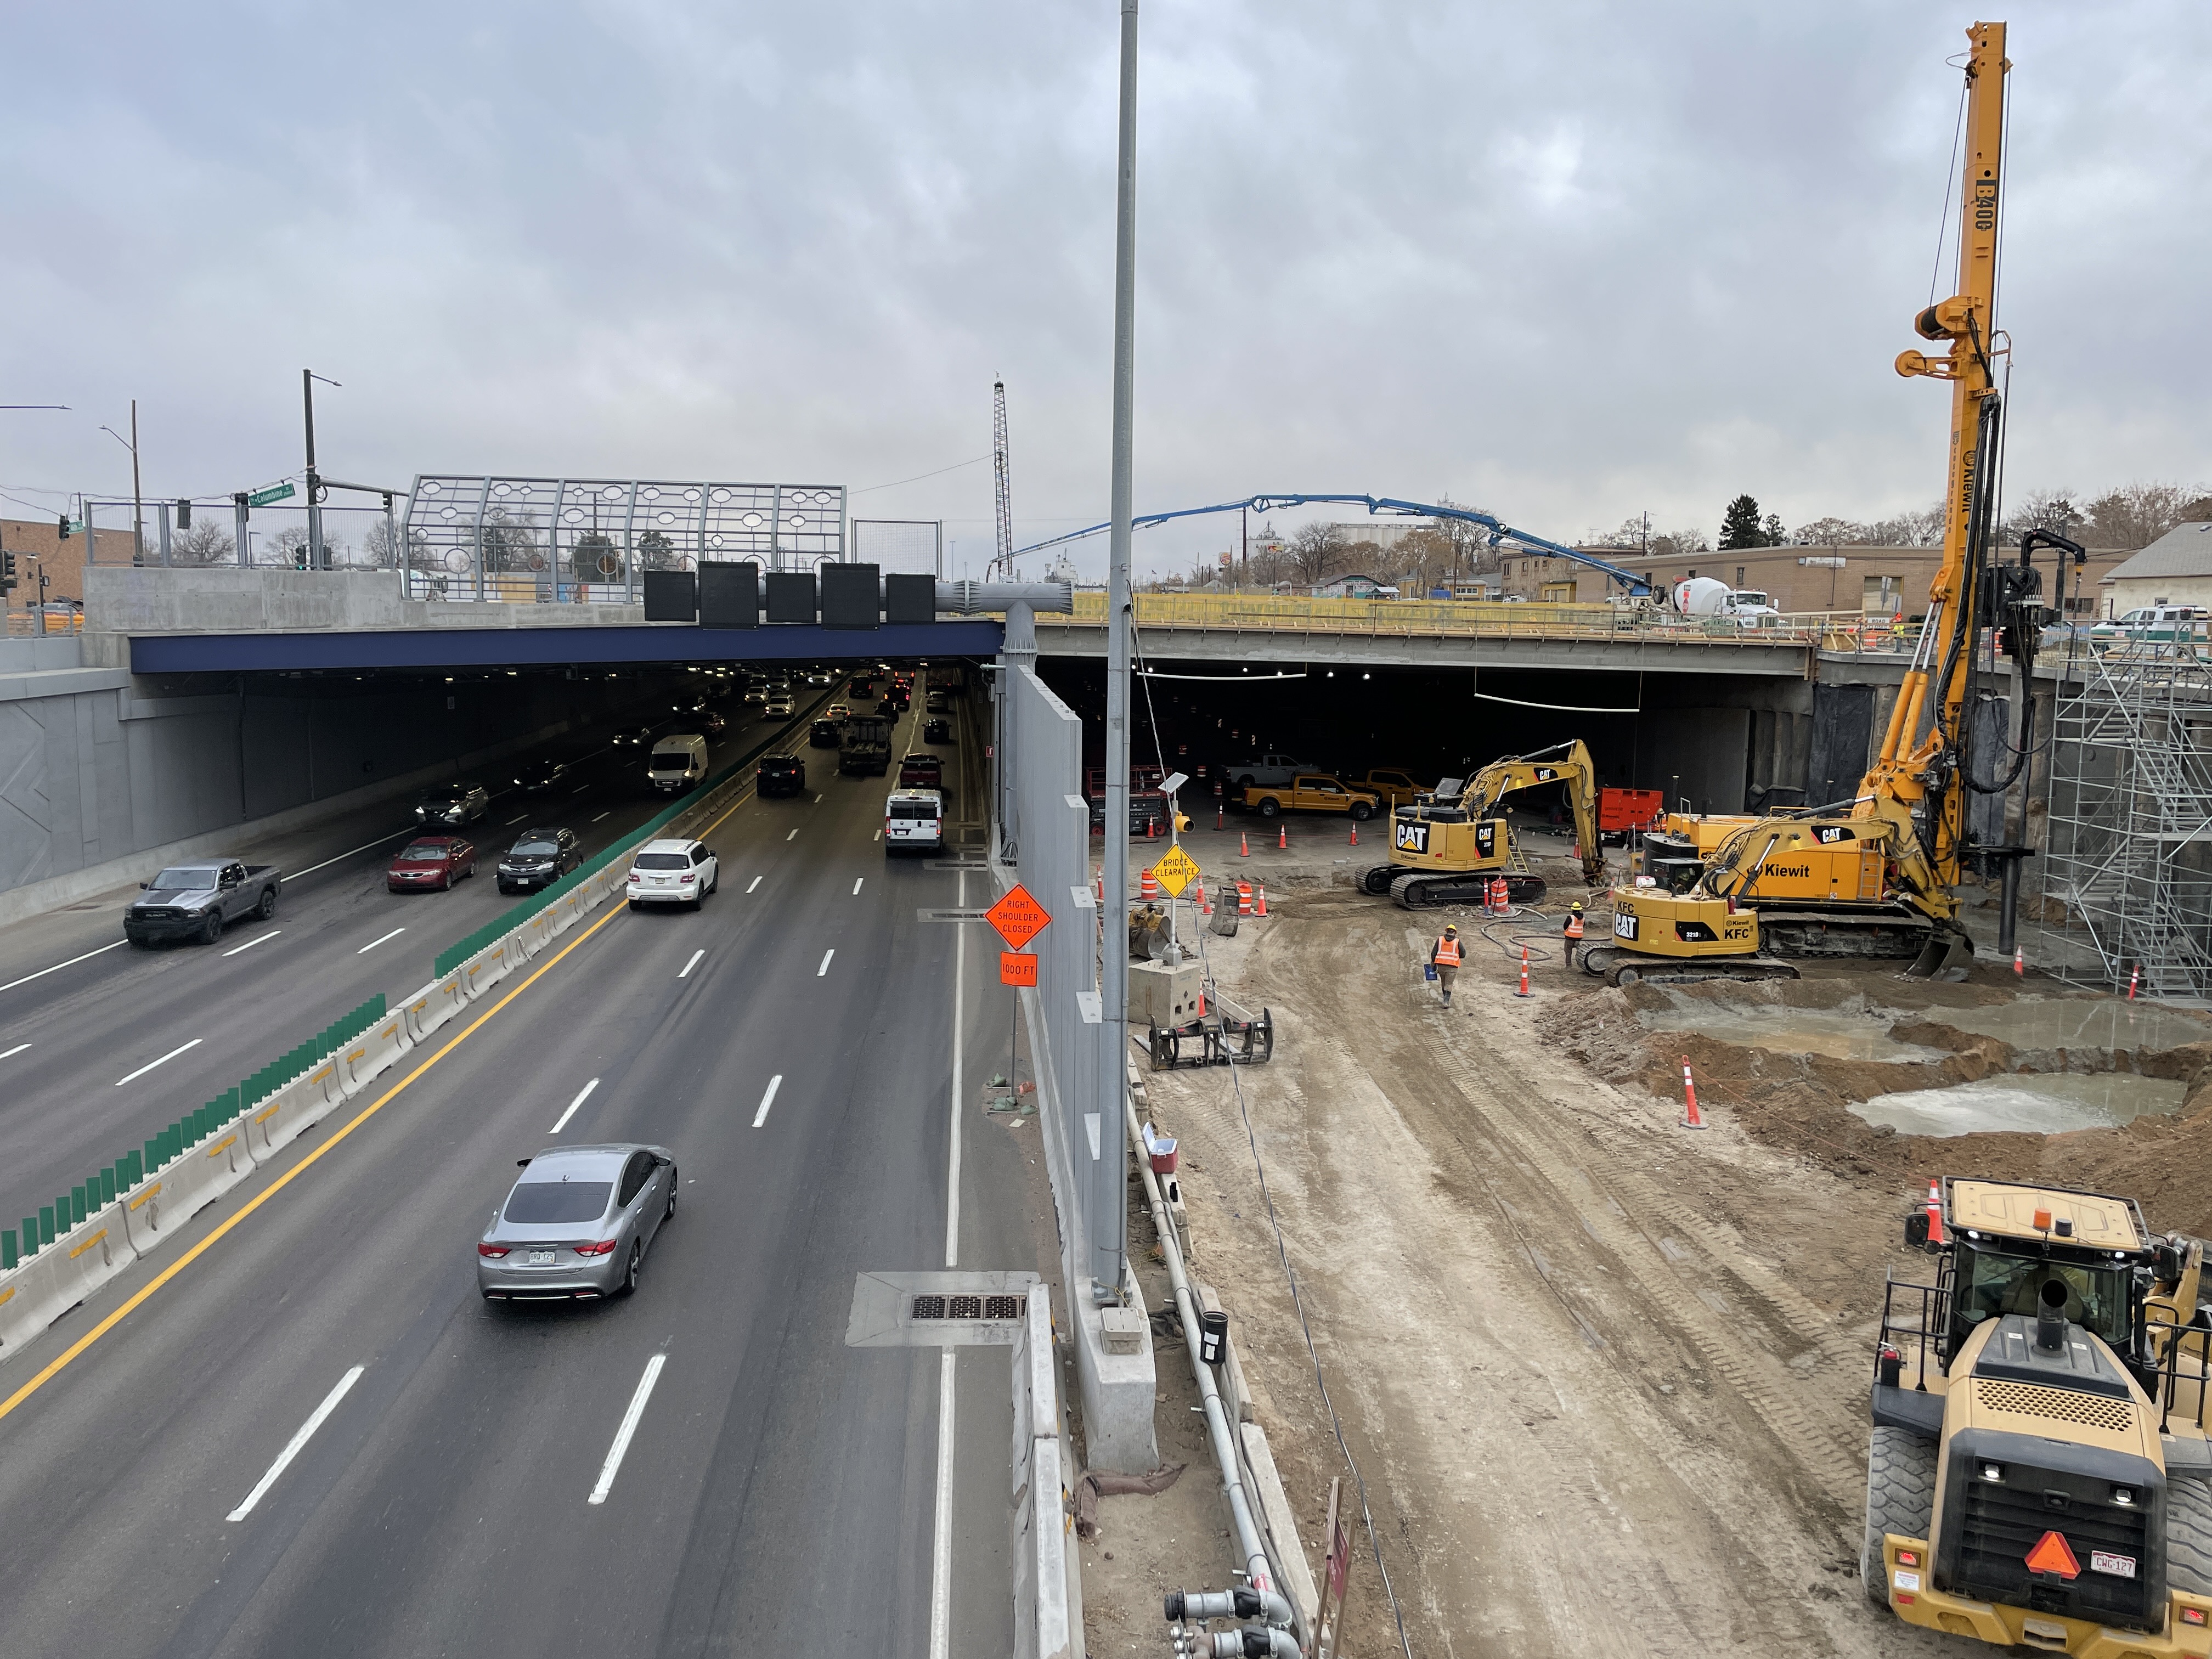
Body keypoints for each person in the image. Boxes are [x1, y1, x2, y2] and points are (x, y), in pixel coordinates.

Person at [1430, 923, 1463, 1006]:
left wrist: (1433, 962)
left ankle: (1445, 997)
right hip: (1452, 967)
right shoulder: (1457, 941)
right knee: (1449, 984)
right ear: (1454, 932)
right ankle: (1446, 1001)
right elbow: (1463, 954)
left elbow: (1434, 952)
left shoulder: (1440, 939)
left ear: (1447, 931)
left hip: (1441, 966)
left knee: (1444, 982)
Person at [1561, 900, 1585, 970]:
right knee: (1580, 952)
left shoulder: (1571, 917)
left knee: (1568, 952)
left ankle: (1569, 966)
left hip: (1570, 938)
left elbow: (1565, 926)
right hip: (1578, 938)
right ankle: (1581, 965)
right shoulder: (1583, 918)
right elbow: (1583, 926)